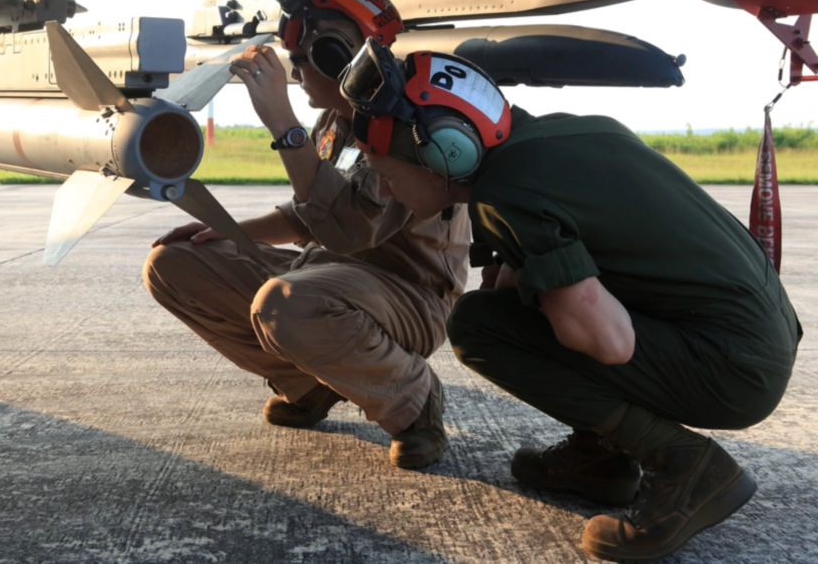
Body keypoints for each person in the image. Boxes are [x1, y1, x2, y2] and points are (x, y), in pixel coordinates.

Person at [340, 40, 802, 559]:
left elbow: (609, 342)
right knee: (508, 311)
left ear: (445, 152)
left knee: (479, 328)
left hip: (734, 369)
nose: (384, 184)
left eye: (385, 170)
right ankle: (599, 458)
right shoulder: (553, 136)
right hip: (756, 336)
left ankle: (685, 466)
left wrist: (545, 303)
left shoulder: (511, 192)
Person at [142, 0, 471, 469]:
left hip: (406, 295)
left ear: (339, 58)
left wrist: (281, 120)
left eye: (302, 59)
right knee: (173, 262)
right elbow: (309, 215)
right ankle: (310, 385)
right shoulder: (337, 120)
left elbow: (351, 225)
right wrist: (225, 233)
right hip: (327, 275)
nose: (294, 74)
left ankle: (414, 400)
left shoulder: (407, 122)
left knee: (285, 304)